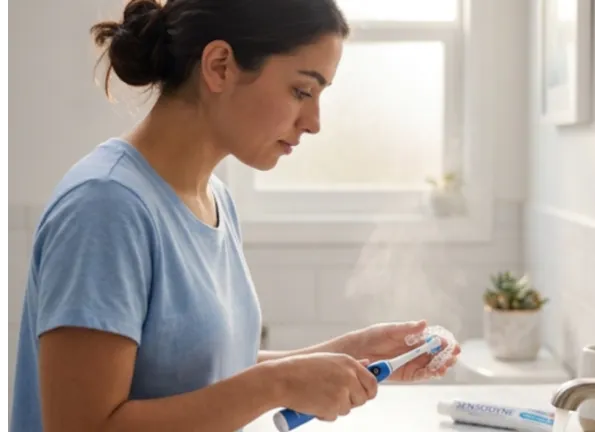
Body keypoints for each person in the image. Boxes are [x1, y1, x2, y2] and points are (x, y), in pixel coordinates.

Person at [9, 0, 461, 431]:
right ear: (219, 66)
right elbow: (82, 427)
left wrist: (349, 354)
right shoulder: (106, 207)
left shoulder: (214, 199)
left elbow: (199, 374)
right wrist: (278, 384)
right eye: (302, 90)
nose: (315, 121)